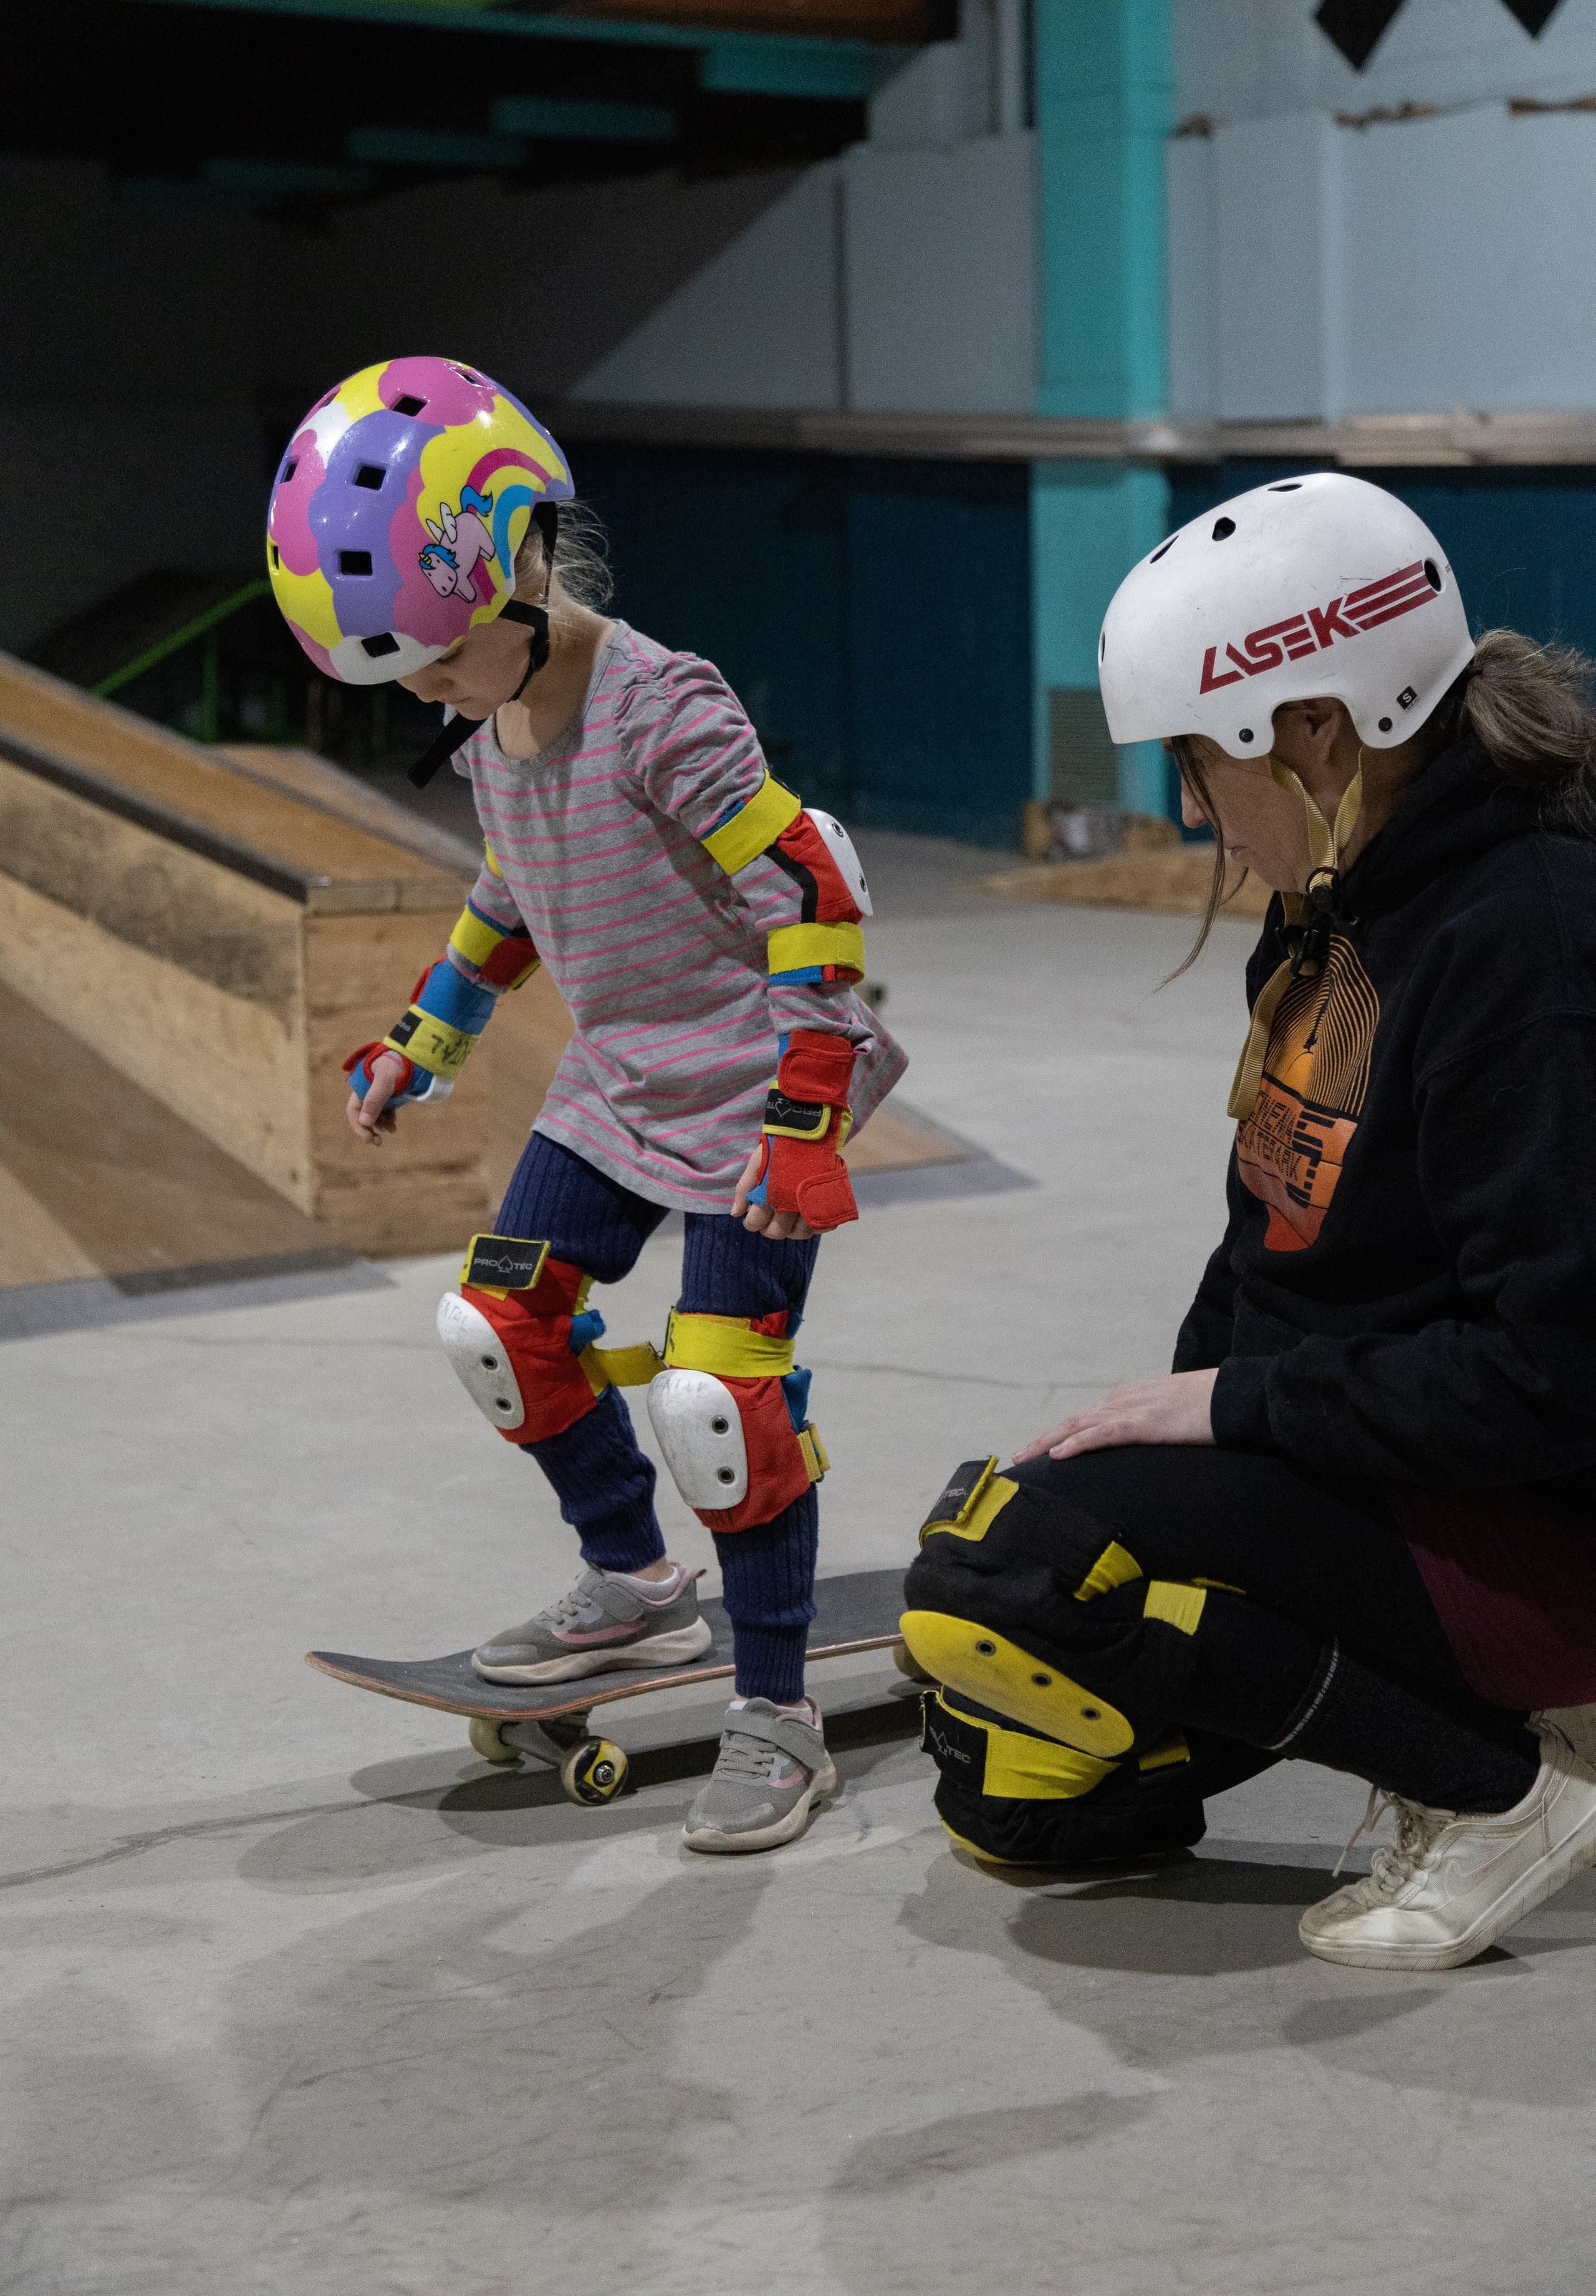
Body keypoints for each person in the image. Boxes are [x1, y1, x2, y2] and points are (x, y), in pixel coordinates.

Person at [903, 471, 1596, 1969]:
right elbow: (1261, 1256)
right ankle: (1457, 1731)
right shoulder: (1330, 913)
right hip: (1377, 1469)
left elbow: (1557, 1376)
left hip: (1530, 1523)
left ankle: (1505, 1792)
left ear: (1316, 732)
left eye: (1195, 768)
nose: (1188, 812)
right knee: (1013, 1788)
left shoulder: (1524, 943)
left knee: (1004, 1567)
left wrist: (1235, 1414)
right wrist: (1162, 1426)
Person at [266, 354, 905, 1850]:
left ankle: (775, 1711)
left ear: (511, 575)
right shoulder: (499, 726)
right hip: (613, 1087)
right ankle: (629, 1583)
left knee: (716, 1402)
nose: (422, 694)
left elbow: (805, 886)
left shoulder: (661, 706)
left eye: (428, 662)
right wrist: (423, 1041)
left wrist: (809, 1118)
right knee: (497, 1322)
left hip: (751, 1087)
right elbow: (511, 892)